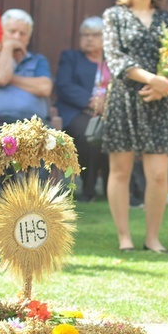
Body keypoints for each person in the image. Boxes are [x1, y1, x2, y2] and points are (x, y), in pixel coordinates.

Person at [102, 0, 168, 253]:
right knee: (120, 170)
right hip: (124, 98)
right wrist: (152, 80)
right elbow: (115, 58)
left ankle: (152, 239)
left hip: (159, 101)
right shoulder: (114, 16)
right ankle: (124, 237)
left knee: (159, 175)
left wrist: (163, 85)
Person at [54, 16, 110, 203]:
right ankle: (89, 189)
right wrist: (92, 102)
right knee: (89, 136)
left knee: (119, 136)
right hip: (78, 111)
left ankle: (122, 190)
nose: (89, 39)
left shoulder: (113, 61)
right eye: (85, 35)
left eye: (95, 35)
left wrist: (109, 104)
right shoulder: (71, 58)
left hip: (110, 112)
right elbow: (64, 85)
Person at [0, 9, 53, 125]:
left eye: (22, 33)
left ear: (28, 39)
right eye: (12, 31)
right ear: (1, 33)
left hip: (35, 124)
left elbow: (44, 88)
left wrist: (10, 78)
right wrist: (8, 47)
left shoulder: (38, 60)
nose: (17, 37)